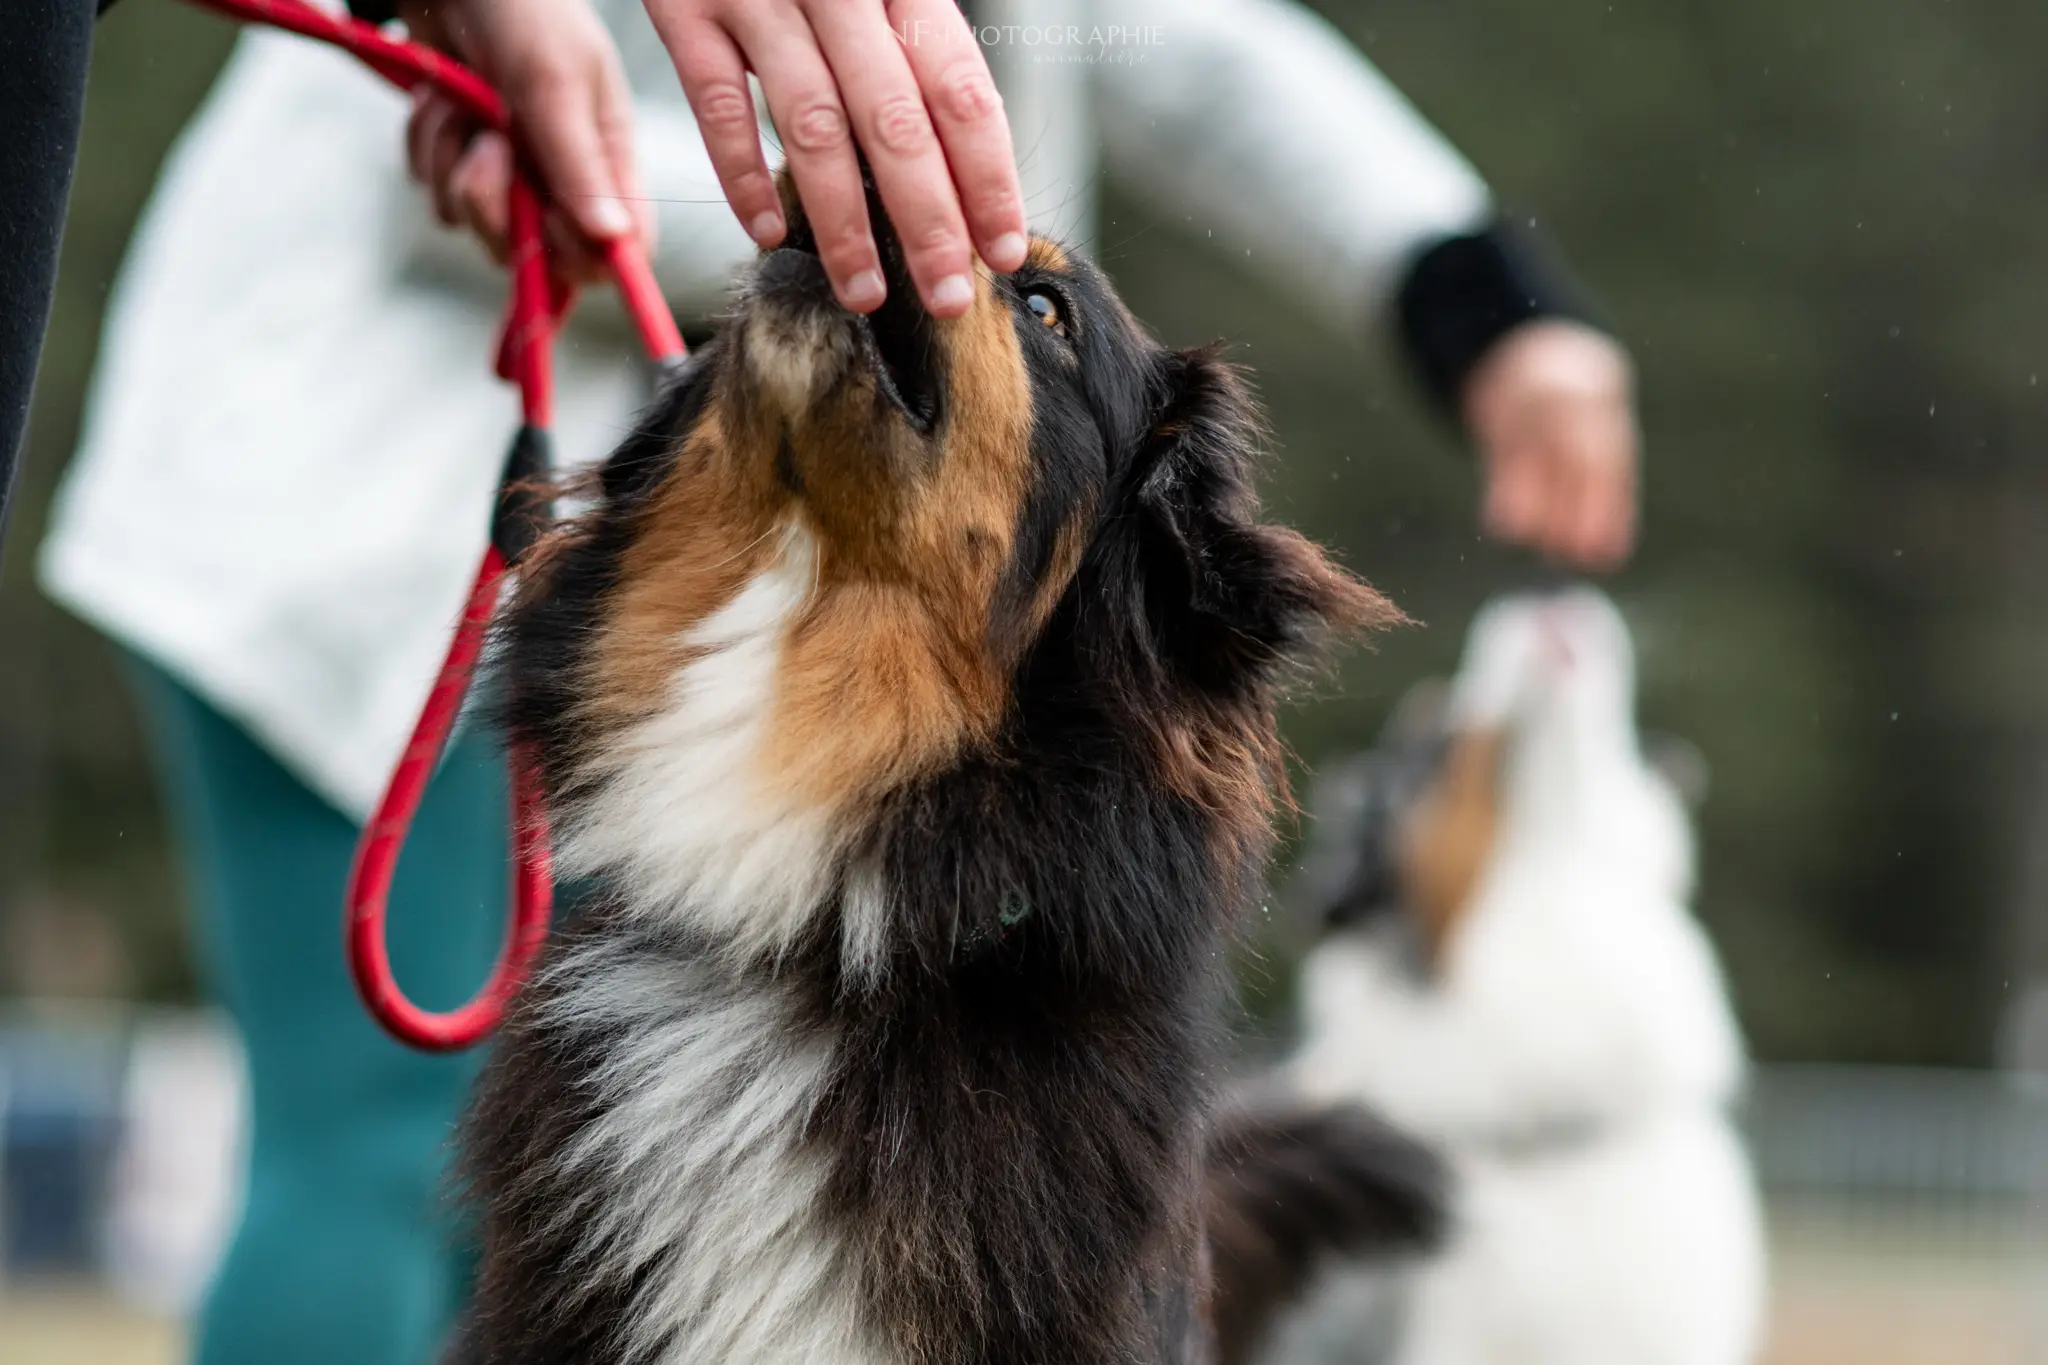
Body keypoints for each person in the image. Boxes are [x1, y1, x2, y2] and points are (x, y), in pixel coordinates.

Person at [35, 1, 1635, 1362]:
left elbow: (1191, 41)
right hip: (356, 490)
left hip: (762, 597)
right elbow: (405, 132)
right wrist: (822, 207)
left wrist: (1484, 307)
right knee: (374, 1144)